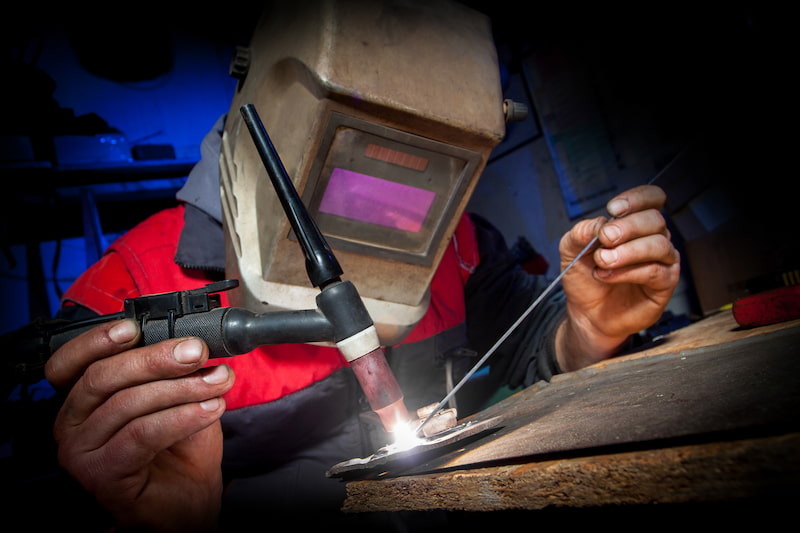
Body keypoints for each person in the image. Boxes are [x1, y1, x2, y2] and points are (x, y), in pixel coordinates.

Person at [40, 1, 681, 531]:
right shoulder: (127, 303)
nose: (383, 207)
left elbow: (528, 348)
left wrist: (587, 331)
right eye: (353, 162)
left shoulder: (460, 246)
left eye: (421, 174)